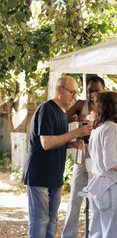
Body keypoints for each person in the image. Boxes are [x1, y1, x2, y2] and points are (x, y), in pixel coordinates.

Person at [22, 76, 92, 238]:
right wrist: (76, 132)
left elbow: (58, 140)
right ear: (60, 89)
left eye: (76, 93)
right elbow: (46, 143)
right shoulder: (46, 109)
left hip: (55, 176)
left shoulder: (62, 113)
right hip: (39, 176)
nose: (74, 97)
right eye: (72, 92)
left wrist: (72, 144)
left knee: (52, 221)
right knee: (40, 221)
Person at [62, 76, 105, 238]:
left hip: (99, 157)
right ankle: (68, 235)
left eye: (96, 91)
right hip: (82, 153)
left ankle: (95, 234)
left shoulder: (106, 106)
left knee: (96, 200)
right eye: (90, 91)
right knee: (74, 199)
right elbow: (62, 118)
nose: (93, 94)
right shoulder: (81, 105)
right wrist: (75, 119)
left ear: (103, 90)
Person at [86, 91, 117, 238]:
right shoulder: (111, 128)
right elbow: (112, 162)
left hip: (98, 186)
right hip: (111, 188)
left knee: (97, 233)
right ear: (114, 108)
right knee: (114, 233)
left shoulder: (97, 129)